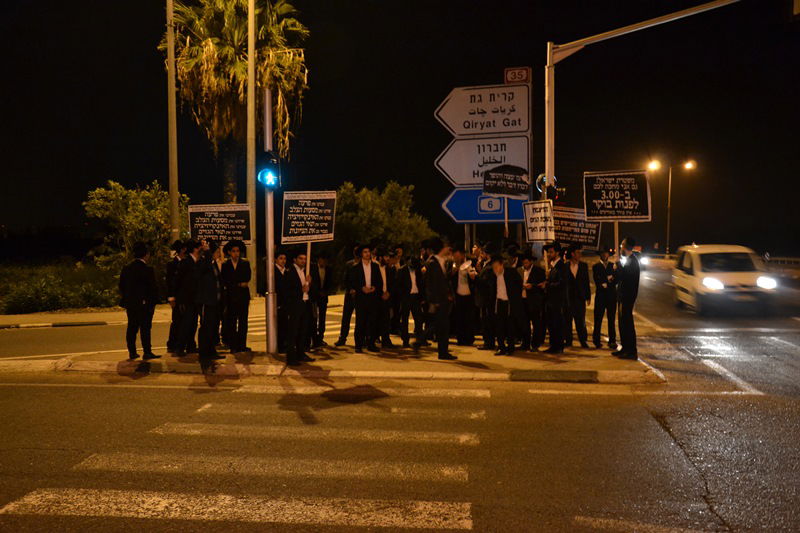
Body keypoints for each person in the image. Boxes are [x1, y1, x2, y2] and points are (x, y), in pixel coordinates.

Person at [119, 242, 160, 360]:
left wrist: (128, 298)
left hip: (131, 303)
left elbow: (122, 286)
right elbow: (152, 288)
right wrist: (152, 302)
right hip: (145, 304)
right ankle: (147, 351)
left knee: (132, 327)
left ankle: (132, 351)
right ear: (146, 255)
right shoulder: (147, 269)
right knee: (145, 328)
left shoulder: (127, 269)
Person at [424, 238, 457, 360]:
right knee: (441, 327)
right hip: (438, 301)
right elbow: (430, 284)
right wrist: (434, 301)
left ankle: (442, 351)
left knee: (441, 326)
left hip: (444, 300)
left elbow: (443, 281)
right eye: (445, 247)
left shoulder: (442, 261)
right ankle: (442, 353)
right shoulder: (432, 263)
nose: (447, 248)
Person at [284, 249, 315, 366]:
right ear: (295, 260)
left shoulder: (305, 271)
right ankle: (291, 357)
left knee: (303, 330)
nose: (303, 261)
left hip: (305, 303)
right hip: (295, 305)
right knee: (293, 331)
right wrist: (300, 290)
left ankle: (301, 353)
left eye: (304, 259)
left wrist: (309, 283)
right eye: (301, 259)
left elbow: (308, 288)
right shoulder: (290, 271)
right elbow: (287, 289)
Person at [196, 241, 224, 365]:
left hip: (215, 302)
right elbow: (203, 269)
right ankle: (204, 352)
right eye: (217, 251)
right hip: (206, 302)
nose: (219, 253)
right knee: (206, 327)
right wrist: (207, 252)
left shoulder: (213, 264)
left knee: (213, 327)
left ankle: (211, 350)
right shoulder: (204, 263)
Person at [350, 244, 382, 353]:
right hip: (361, 297)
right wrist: (361, 288)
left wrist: (375, 288)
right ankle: (358, 345)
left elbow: (379, 281)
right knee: (360, 322)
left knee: (373, 321)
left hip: (372, 297)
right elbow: (351, 282)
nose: (367, 254)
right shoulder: (355, 267)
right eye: (365, 252)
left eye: (368, 252)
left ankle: (371, 344)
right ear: (361, 254)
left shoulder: (375, 266)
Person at [221, 240, 251, 353]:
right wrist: (238, 283)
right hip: (230, 297)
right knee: (231, 322)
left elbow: (247, 278)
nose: (236, 254)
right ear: (229, 252)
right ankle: (233, 346)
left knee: (243, 322)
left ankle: (242, 345)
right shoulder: (225, 265)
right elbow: (225, 280)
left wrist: (235, 283)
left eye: (237, 251)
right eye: (233, 251)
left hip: (243, 297)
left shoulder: (245, 263)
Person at [613, 237, 640, 360]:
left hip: (627, 298)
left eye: (622, 245)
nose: (620, 247)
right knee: (622, 324)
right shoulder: (628, 260)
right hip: (622, 296)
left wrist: (618, 264)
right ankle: (624, 348)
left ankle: (631, 351)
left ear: (627, 247)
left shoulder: (633, 261)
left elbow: (626, 276)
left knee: (627, 324)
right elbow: (620, 277)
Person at [175, 239, 202, 356]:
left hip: (196, 298)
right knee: (186, 323)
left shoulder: (198, 261)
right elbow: (178, 281)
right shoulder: (186, 262)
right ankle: (180, 347)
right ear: (195, 249)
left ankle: (191, 345)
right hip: (187, 298)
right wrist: (179, 299)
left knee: (193, 323)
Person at [491, 254, 523, 355]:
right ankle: (501, 347)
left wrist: (514, 297)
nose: (495, 269)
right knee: (499, 326)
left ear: (501, 265)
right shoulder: (493, 275)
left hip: (509, 302)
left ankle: (510, 347)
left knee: (510, 326)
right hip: (499, 302)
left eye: (497, 267)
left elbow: (519, 284)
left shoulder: (511, 272)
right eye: (494, 267)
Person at [542, 242, 567, 354]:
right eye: (548, 252)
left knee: (556, 324)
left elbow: (562, 284)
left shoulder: (561, 266)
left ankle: (557, 346)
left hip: (557, 301)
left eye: (551, 252)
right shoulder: (553, 266)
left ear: (557, 253)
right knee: (551, 324)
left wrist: (547, 285)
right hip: (551, 301)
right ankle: (554, 346)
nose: (549, 254)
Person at [519, 251, 546, 351]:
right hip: (523, 300)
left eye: (527, 263)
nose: (525, 265)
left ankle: (535, 344)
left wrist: (532, 286)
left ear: (531, 262)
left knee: (536, 323)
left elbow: (542, 286)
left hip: (534, 301)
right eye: (524, 263)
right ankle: (525, 343)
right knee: (524, 323)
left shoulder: (538, 271)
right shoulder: (519, 271)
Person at [565, 245, 591, 348]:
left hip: (580, 298)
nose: (580, 255)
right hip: (568, 298)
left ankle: (583, 340)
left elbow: (586, 282)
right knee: (568, 320)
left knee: (580, 320)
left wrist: (588, 296)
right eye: (578, 252)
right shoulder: (565, 266)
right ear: (572, 254)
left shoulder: (583, 266)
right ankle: (568, 340)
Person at [592, 244, 618, 350]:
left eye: (606, 253)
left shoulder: (613, 266)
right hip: (600, 297)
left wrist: (606, 281)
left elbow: (616, 280)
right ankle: (596, 340)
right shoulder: (596, 266)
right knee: (598, 319)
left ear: (608, 254)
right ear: (600, 255)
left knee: (611, 320)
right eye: (602, 253)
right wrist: (608, 279)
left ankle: (612, 341)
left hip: (611, 296)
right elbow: (597, 281)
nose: (604, 254)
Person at [450, 247, 477, 346]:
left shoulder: (471, 263)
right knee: (459, 317)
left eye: (458, 256)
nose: (456, 258)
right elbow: (449, 277)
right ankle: (460, 339)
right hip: (458, 295)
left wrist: (473, 275)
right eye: (455, 256)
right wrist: (454, 271)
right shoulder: (452, 264)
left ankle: (469, 339)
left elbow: (475, 277)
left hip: (469, 294)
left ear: (462, 255)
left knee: (469, 317)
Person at [335, 245, 361, 347]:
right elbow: (345, 279)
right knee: (346, 317)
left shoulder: (365, 265)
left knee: (360, 319)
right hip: (350, 294)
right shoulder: (349, 264)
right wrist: (350, 289)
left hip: (360, 295)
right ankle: (342, 338)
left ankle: (359, 339)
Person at [397, 256, 425, 348]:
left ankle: (419, 339)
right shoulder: (402, 270)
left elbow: (421, 283)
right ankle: (405, 340)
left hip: (416, 296)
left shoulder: (417, 269)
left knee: (419, 319)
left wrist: (422, 297)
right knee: (404, 320)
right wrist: (402, 297)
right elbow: (399, 284)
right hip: (406, 297)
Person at [165, 239, 186, 353]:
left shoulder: (185, 262)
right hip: (176, 296)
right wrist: (171, 297)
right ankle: (172, 343)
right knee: (177, 320)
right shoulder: (172, 264)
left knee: (183, 321)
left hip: (184, 296)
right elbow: (169, 281)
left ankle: (181, 342)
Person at [310, 252, 333, 348]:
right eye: (321, 259)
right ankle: (314, 339)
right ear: (318, 260)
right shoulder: (313, 269)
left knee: (322, 318)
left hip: (323, 296)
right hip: (315, 297)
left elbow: (331, 282)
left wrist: (326, 291)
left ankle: (320, 338)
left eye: (325, 260)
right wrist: (317, 292)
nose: (323, 262)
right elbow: (312, 283)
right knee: (314, 318)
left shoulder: (328, 269)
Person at [476, 245, 497, 351]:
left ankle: (489, 342)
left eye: (482, 253)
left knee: (487, 321)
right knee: (485, 320)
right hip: (485, 298)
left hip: (487, 299)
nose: (480, 255)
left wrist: (475, 277)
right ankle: (488, 341)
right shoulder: (486, 265)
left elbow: (485, 283)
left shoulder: (490, 267)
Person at [376, 248, 397, 348]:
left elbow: (392, 284)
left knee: (386, 320)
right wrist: (380, 293)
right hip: (377, 298)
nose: (388, 259)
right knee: (375, 320)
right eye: (385, 257)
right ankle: (373, 339)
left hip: (387, 297)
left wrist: (388, 293)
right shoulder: (375, 268)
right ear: (380, 257)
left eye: (388, 257)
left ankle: (386, 340)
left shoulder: (390, 269)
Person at [274, 249, 288, 353]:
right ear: (276, 259)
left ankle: (284, 343)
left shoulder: (287, 271)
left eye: (284, 258)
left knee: (285, 325)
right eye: (281, 258)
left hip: (286, 302)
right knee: (279, 325)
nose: (283, 261)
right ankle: (280, 345)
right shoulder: (273, 271)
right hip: (278, 302)